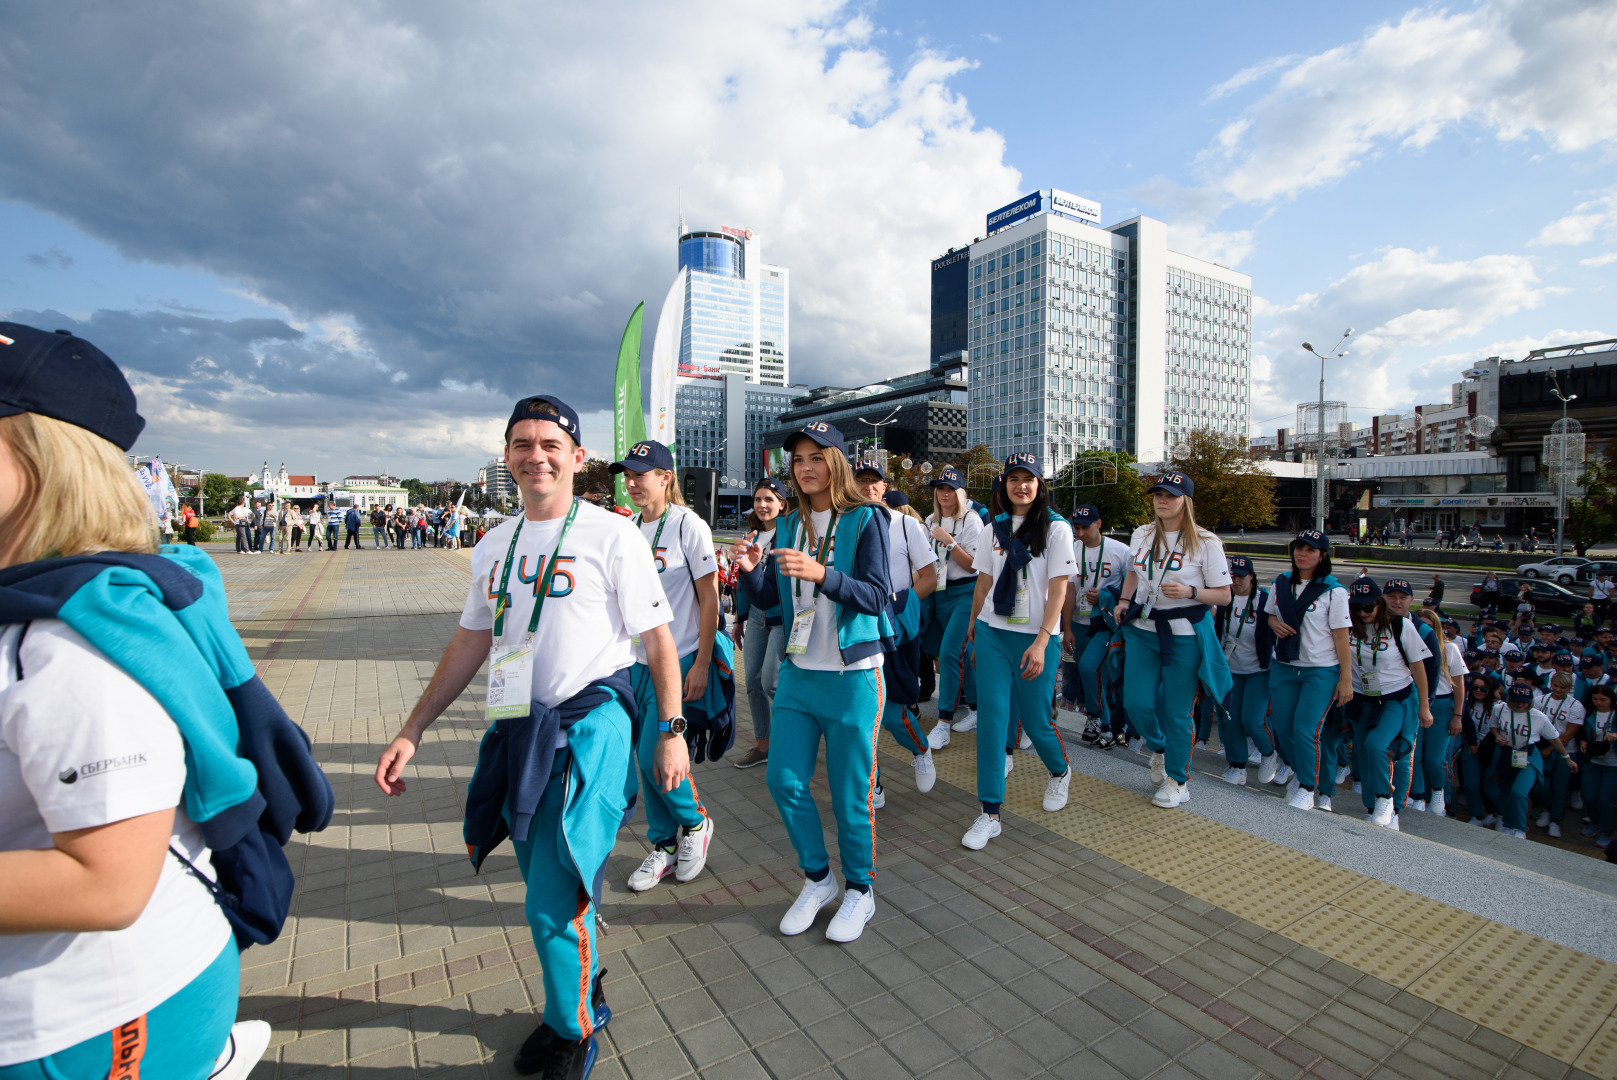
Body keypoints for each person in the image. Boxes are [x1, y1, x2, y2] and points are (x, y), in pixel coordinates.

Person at [375, 395, 683, 1078]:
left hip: (592, 725)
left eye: (550, 443)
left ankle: (569, 1031)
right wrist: (412, 729)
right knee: (555, 880)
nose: (535, 455)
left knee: (551, 894)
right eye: (521, 444)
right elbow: (471, 641)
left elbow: (657, 641)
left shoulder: (611, 535)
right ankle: (585, 985)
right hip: (521, 728)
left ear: (576, 457)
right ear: (506, 456)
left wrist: (671, 731)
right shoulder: (494, 542)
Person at [0, 322, 275, 1080]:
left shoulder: (70, 641)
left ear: (45, 458)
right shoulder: (59, 605)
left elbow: (107, 880)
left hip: (80, 1019)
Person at [733, 421, 892, 943]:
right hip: (800, 672)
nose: (805, 467)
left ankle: (860, 890)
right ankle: (818, 878)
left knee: (851, 796)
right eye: (798, 459)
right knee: (783, 780)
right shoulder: (790, 525)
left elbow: (877, 595)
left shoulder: (866, 519)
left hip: (852, 678)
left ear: (837, 463)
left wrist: (823, 575)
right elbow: (772, 604)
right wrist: (754, 571)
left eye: (816, 457)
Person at [611, 440, 720, 895]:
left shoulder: (687, 526)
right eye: (628, 475)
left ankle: (695, 824)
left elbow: (711, 597)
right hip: (635, 658)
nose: (633, 483)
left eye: (643, 474)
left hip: (678, 657)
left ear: (666, 477)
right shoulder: (629, 528)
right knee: (643, 757)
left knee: (654, 753)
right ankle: (663, 844)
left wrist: (704, 664)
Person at [961, 452, 1075, 845]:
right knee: (992, 722)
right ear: (1004, 487)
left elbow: (1059, 589)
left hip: (1036, 637)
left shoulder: (1057, 529)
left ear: (1040, 485)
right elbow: (983, 583)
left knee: (1037, 721)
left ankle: (1059, 772)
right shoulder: (994, 528)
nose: (1020, 486)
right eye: (1013, 479)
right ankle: (989, 812)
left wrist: (1044, 641)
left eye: (1028, 479)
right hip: (993, 632)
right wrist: (974, 626)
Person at [1114, 473, 1233, 809]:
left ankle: (1178, 779)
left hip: (1183, 635)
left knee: (1177, 711)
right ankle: (1160, 749)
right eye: (1157, 495)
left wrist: (1191, 592)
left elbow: (1224, 595)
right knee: (1136, 703)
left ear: (1186, 501)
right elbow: (1134, 573)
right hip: (1143, 628)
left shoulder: (1206, 542)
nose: (1161, 500)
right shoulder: (1142, 533)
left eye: (1170, 495)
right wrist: (1124, 602)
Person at [851, 462, 937, 802]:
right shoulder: (843, 523)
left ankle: (921, 751)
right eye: (861, 481)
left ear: (885, 487)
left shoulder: (906, 526)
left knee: (894, 713)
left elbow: (930, 577)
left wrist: (900, 607)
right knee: (861, 713)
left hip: (897, 632)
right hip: (857, 630)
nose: (868, 487)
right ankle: (874, 783)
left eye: (875, 482)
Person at [1265, 531, 1352, 811]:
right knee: (1284, 728)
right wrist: (1274, 624)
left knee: (1306, 730)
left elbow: (1341, 638)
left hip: (1320, 671)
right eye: (1298, 548)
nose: (1302, 553)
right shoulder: (1281, 583)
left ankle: (1306, 787)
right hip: (1285, 667)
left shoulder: (1334, 590)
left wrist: (1346, 679)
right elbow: (1270, 615)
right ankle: (1299, 771)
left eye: (1310, 550)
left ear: (1323, 555)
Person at [1343, 580, 1432, 829]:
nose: (1363, 613)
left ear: (1379, 604)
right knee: (1363, 751)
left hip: (1396, 697)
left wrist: (1424, 706)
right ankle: (1372, 806)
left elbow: (1419, 667)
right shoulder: (1349, 626)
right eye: (1357, 607)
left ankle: (1387, 799)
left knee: (1377, 746)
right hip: (1361, 698)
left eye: (1368, 607)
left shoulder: (1400, 626)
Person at [921, 466, 984, 749]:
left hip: (964, 595)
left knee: (948, 655)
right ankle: (975, 708)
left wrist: (950, 542)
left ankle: (943, 722)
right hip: (937, 593)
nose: (944, 494)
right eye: (940, 489)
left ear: (960, 492)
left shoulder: (971, 520)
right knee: (963, 653)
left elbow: (974, 564)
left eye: (950, 489)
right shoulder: (930, 520)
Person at [733, 479, 790, 770]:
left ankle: (789, 741)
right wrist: (739, 619)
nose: (762, 504)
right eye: (758, 499)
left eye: (769, 499)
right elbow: (743, 581)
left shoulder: (792, 533)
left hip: (782, 617)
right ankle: (762, 745)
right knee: (752, 682)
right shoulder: (752, 535)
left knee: (772, 682)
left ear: (782, 504)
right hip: (755, 616)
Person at [1064, 504, 1129, 747]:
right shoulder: (1071, 549)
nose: (1080, 533)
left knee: (1090, 668)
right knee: (1088, 672)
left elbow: (1131, 588)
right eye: (1076, 527)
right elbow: (1069, 590)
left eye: (1085, 527)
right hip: (1078, 622)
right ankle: (1106, 724)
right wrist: (1067, 627)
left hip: (1104, 622)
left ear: (1099, 524)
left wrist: (1105, 595)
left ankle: (1096, 718)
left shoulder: (1120, 551)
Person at [1481, 683, 1577, 839]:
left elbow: (1554, 739)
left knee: (1519, 792)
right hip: (1506, 754)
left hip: (1528, 755)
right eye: (1516, 700)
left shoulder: (1538, 717)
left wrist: (1567, 758)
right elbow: (1494, 727)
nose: (1520, 704)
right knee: (1503, 790)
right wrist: (1498, 736)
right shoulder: (1499, 709)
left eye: (1524, 701)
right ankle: (1507, 822)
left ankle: (1519, 828)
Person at [1215, 557, 1279, 785]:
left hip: (1258, 670)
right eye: (1232, 575)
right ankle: (1237, 765)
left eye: (1241, 575)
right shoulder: (1224, 599)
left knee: (1252, 720)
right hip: (1231, 668)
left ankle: (1270, 754)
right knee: (1231, 719)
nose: (1236, 580)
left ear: (1251, 576)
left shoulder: (1264, 601)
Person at [1410, 607, 1465, 817]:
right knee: (1414, 754)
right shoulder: (1407, 644)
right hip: (1416, 701)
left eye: (1430, 627)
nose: (1425, 631)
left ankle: (1438, 791)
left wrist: (1457, 715)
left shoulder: (1449, 649)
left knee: (1435, 758)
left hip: (1442, 705)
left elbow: (1459, 685)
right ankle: (1417, 795)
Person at [1580, 685, 1617, 846]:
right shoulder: (1588, 714)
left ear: (1611, 700)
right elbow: (1581, 733)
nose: (1599, 703)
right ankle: (1594, 822)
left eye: (1603, 699)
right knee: (1589, 796)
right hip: (1593, 761)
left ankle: (1606, 830)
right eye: (1595, 699)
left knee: (1605, 799)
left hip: (1613, 764)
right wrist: (1582, 742)